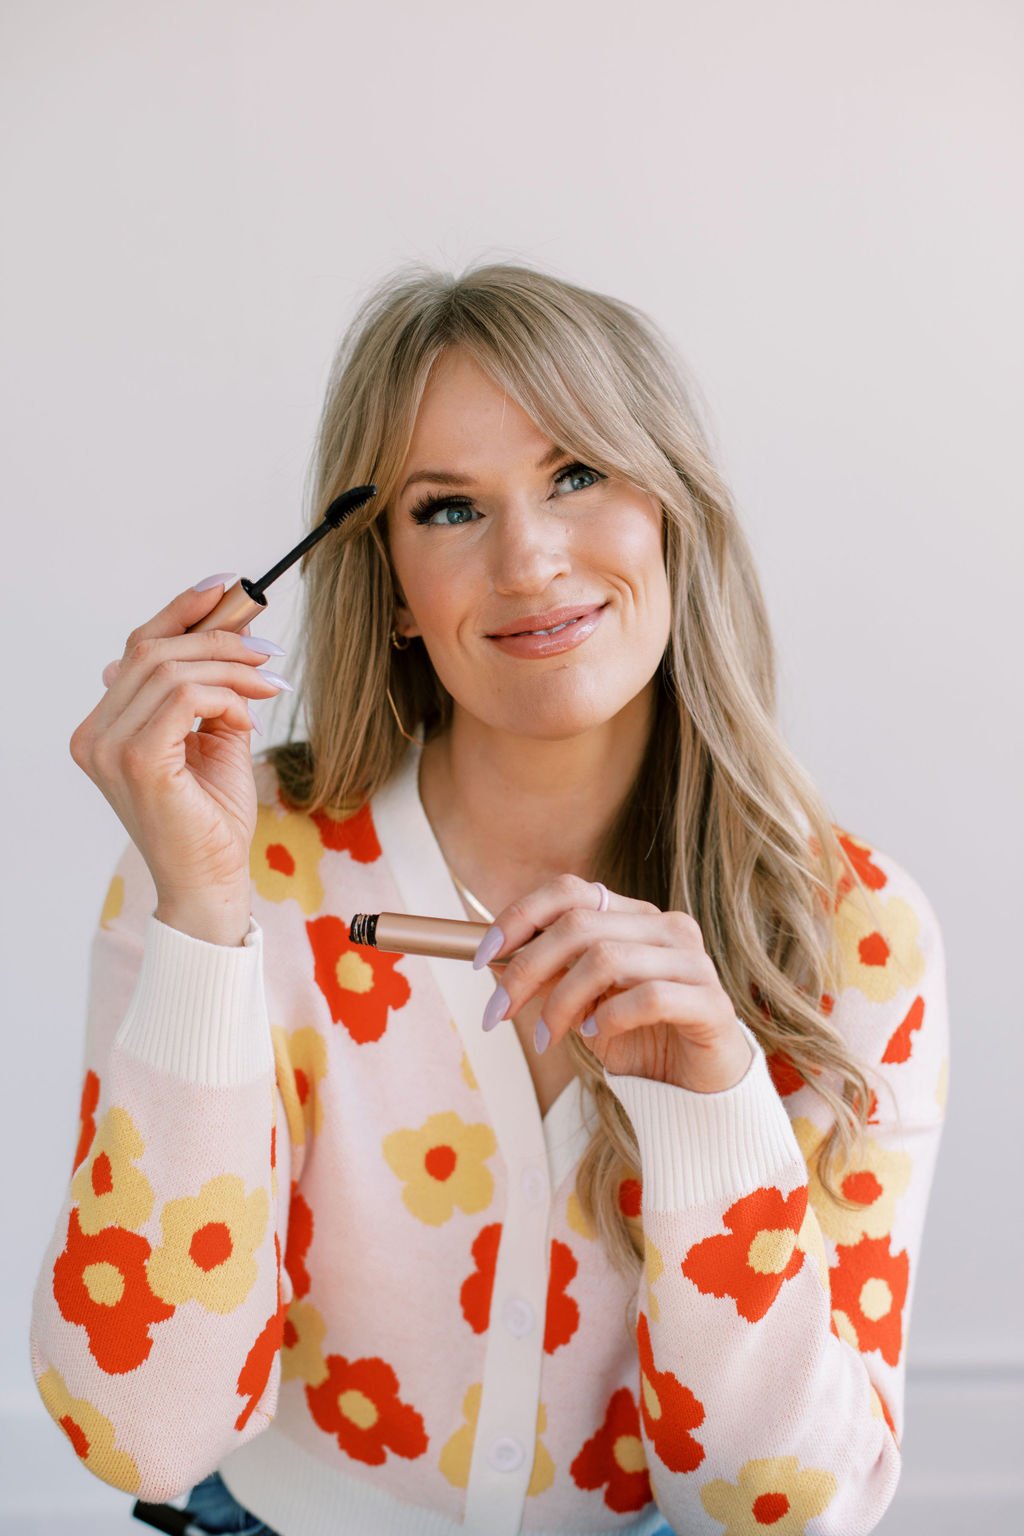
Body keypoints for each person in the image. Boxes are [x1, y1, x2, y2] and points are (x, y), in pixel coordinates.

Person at [30, 262, 949, 1536]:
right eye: (448, 508)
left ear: (674, 511)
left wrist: (714, 1118)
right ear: (394, 588)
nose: (529, 560)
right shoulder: (236, 864)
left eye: (577, 474)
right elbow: (143, 1430)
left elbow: (784, 1513)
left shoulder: (852, 929)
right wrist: (199, 921)